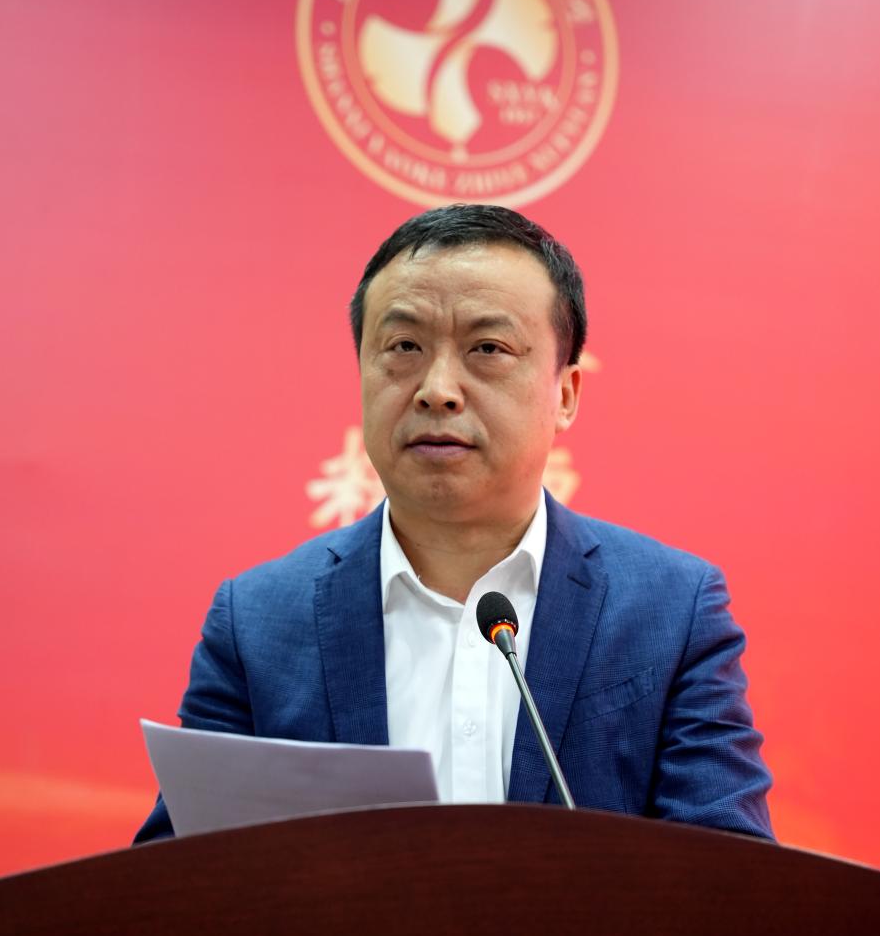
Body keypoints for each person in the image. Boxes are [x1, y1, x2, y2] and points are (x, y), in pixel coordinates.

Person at [135, 204, 773, 843]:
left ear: (565, 394)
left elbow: (730, 877)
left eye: (488, 348)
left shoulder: (672, 611)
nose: (437, 389)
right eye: (404, 347)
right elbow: (180, 879)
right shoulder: (256, 622)